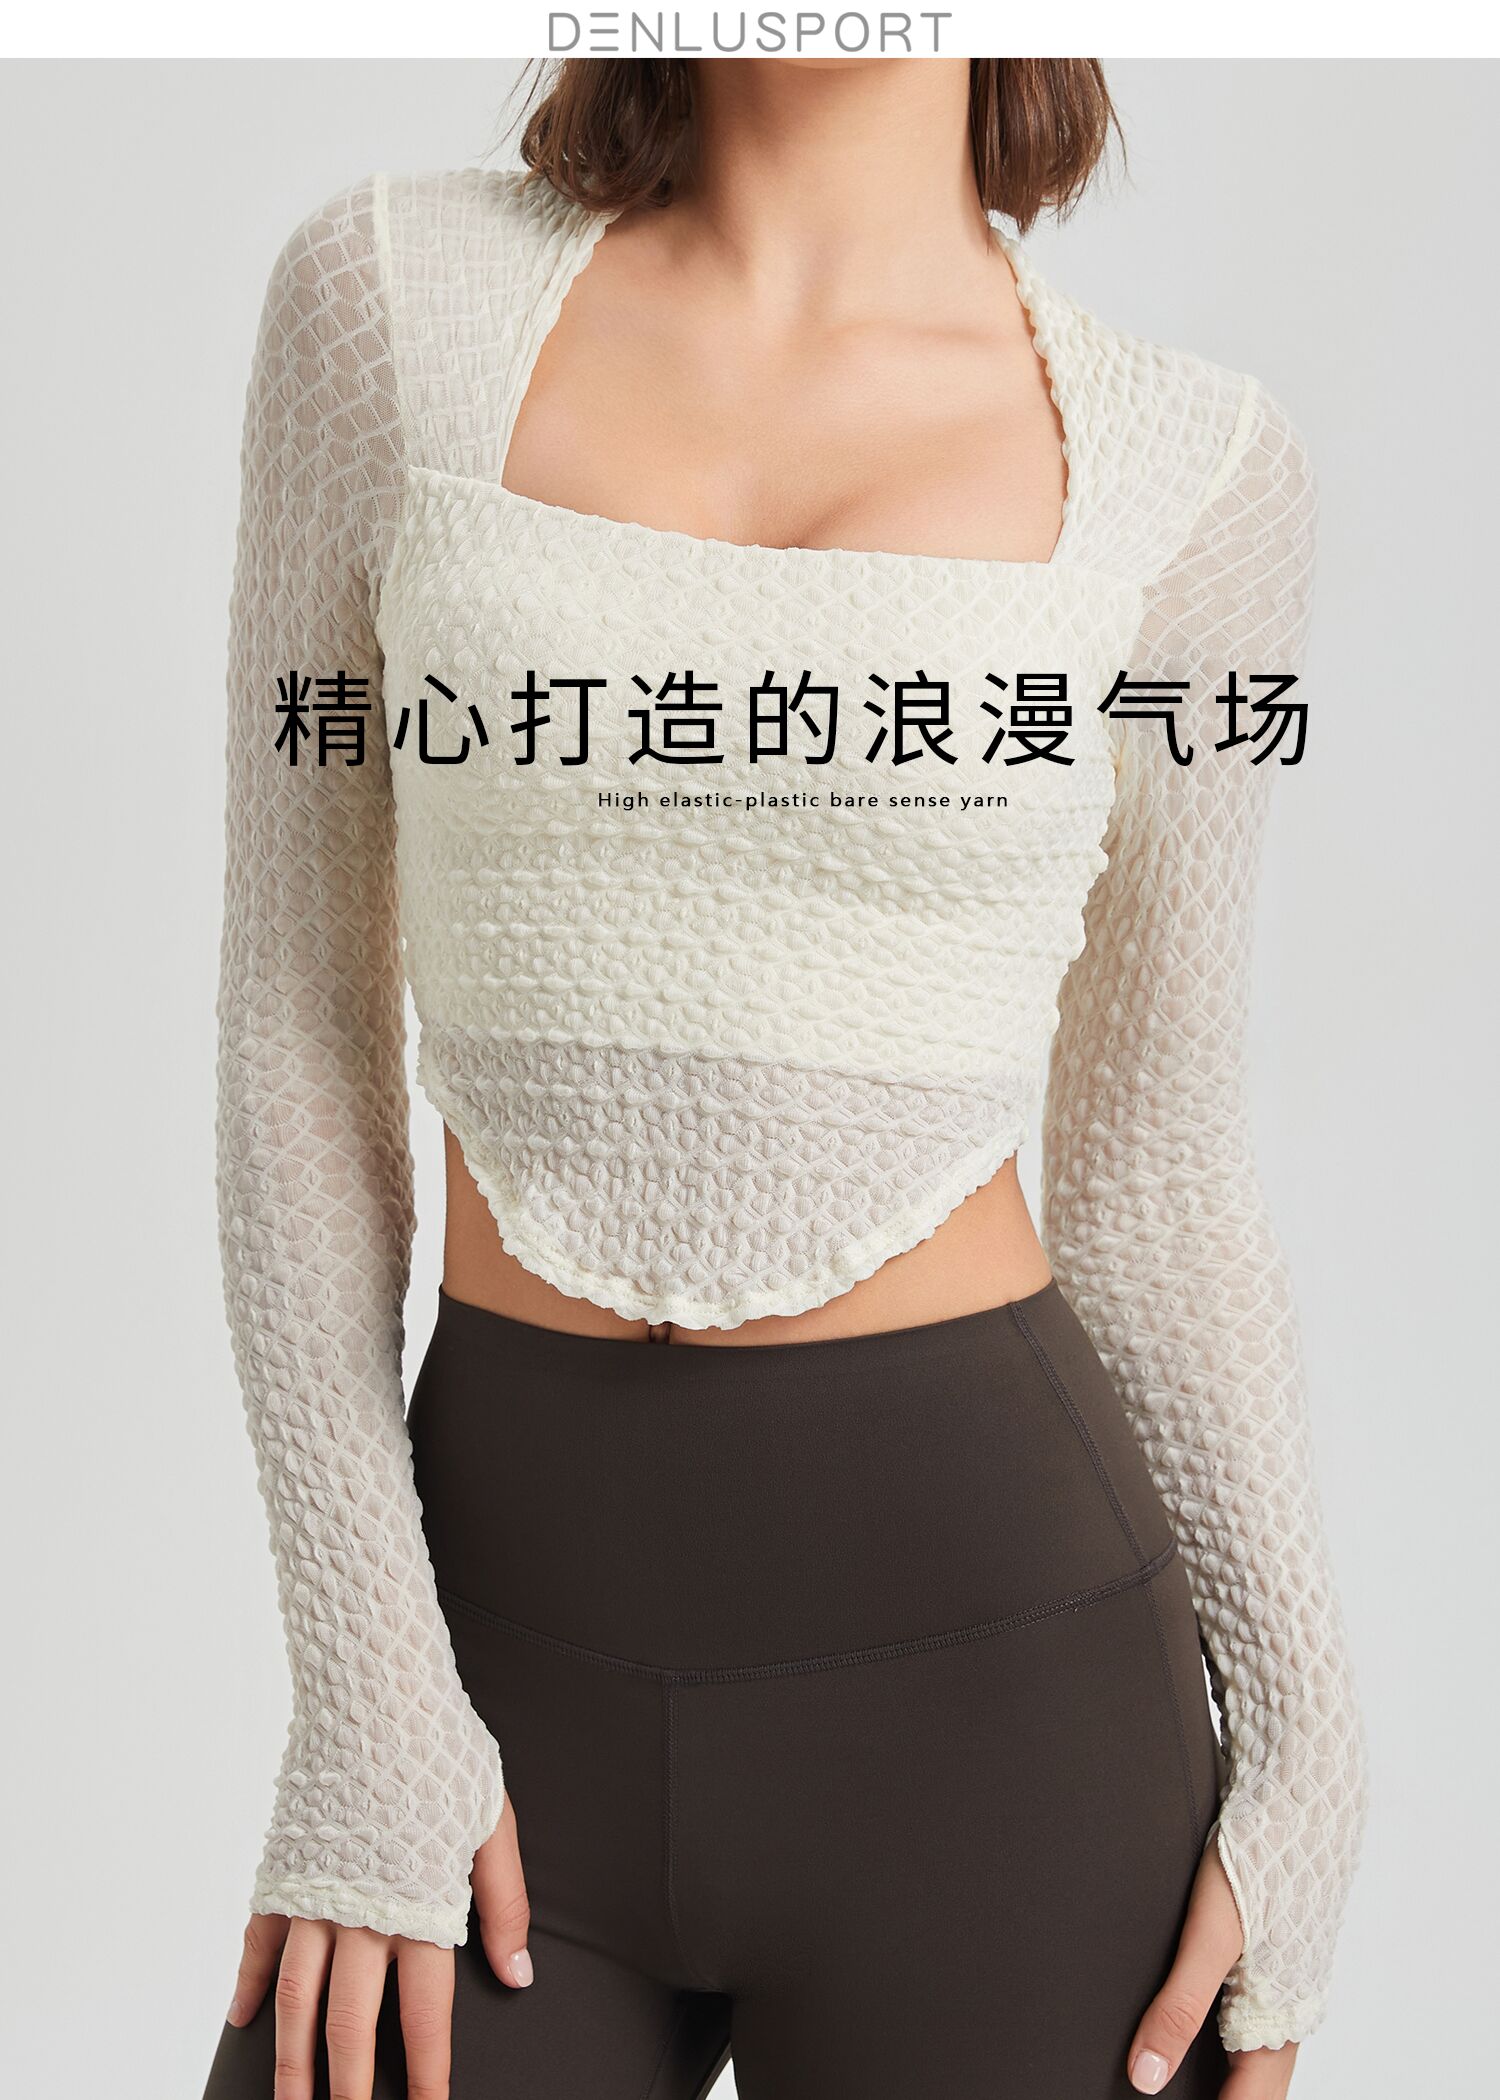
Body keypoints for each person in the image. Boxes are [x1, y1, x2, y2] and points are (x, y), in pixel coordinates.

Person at [202, 54, 1367, 2100]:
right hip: (492, 1666)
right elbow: (297, 1034)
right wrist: (368, 1693)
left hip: (1008, 1695)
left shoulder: (1198, 475)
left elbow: (1157, 1165)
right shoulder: (383, 310)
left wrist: (1309, 1745)